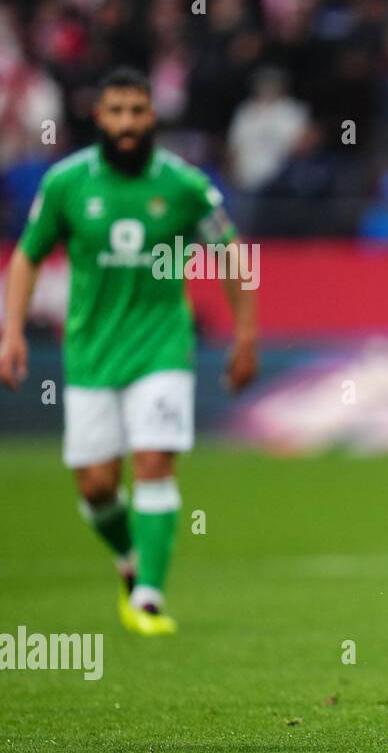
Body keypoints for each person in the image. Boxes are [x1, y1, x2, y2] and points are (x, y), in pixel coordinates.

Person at [0, 66, 259, 634]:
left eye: (136, 112)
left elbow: (234, 254)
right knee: (95, 486)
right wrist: (11, 331)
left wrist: (245, 335)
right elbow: (27, 256)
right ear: (99, 117)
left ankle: (148, 596)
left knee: (152, 462)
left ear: (152, 117)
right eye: (115, 112)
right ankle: (128, 558)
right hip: (91, 351)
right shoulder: (67, 183)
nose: (125, 123)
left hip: (162, 347)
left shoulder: (185, 185)